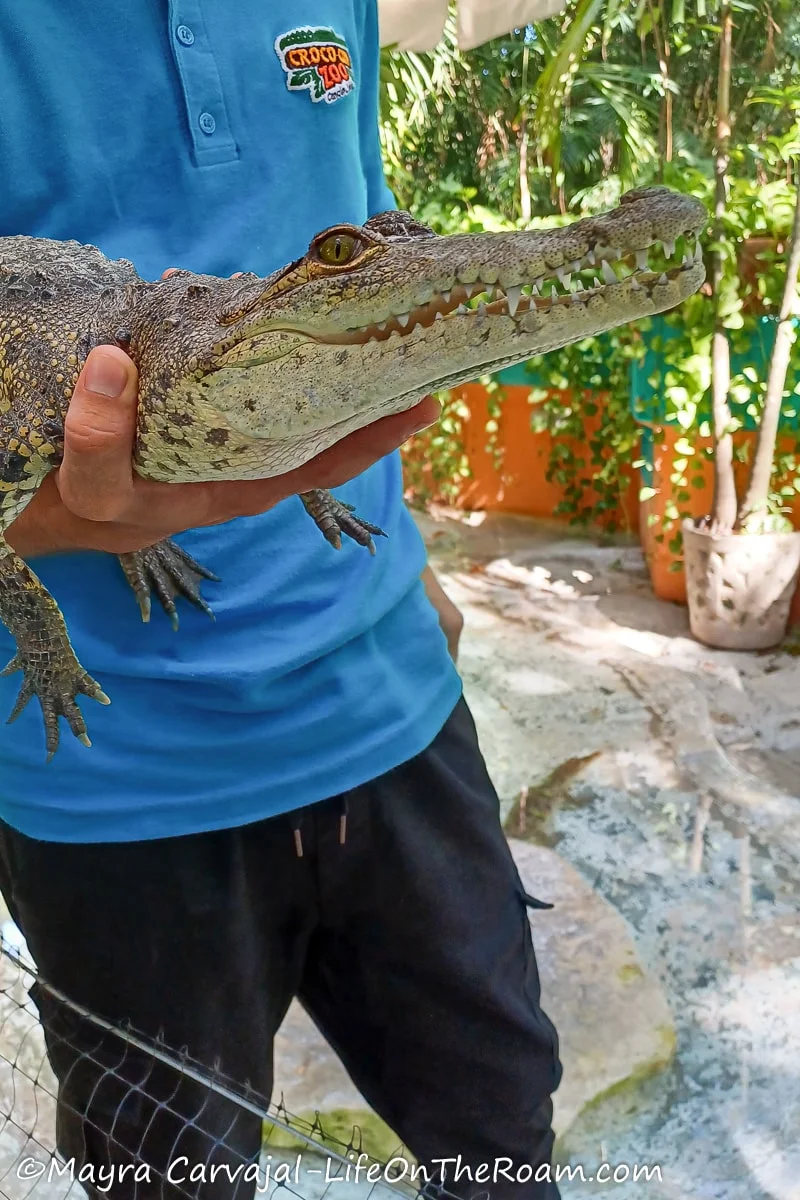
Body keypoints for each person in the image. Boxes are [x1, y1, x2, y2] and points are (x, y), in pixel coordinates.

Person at [0, 4, 562, 1198]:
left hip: (391, 702)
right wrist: (57, 521)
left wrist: (413, 560)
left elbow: (346, 276)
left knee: (506, 1151)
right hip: (112, 779)